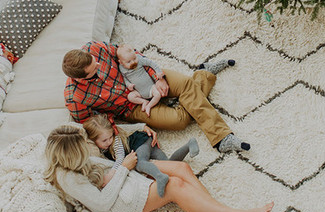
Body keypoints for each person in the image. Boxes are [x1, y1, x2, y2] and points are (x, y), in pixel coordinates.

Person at [44, 123, 273, 212]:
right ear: (71, 156)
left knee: (181, 167)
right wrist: (123, 170)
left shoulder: (69, 146)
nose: (87, 148)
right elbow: (102, 203)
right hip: (119, 206)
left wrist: (122, 166)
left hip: (122, 179)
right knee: (175, 186)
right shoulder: (69, 178)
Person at [63, 41, 249, 154]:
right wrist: (122, 128)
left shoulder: (93, 49)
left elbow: (128, 53)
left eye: (95, 61)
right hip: (133, 106)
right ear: (80, 78)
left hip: (142, 74)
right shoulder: (75, 98)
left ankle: (222, 138)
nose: (98, 63)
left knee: (185, 85)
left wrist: (156, 76)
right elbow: (94, 123)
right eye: (94, 68)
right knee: (179, 121)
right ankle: (203, 75)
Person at [82, 113, 199, 197]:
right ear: (93, 140)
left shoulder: (115, 142)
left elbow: (120, 159)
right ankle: (189, 145)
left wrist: (112, 173)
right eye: (104, 140)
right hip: (147, 142)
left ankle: (160, 177)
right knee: (169, 164)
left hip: (140, 143)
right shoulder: (96, 147)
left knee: (140, 163)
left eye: (110, 137)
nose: (109, 141)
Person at [117, 44, 165, 116]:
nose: (133, 62)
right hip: (139, 92)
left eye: (134, 58)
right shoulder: (122, 68)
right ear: (121, 62)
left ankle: (149, 106)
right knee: (130, 97)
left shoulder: (139, 60)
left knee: (158, 94)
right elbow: (124, 78)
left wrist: (158, 72)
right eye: (129, 62)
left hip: (150, 87)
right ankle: (144, 102)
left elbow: (151, 63)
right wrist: (129, 85)